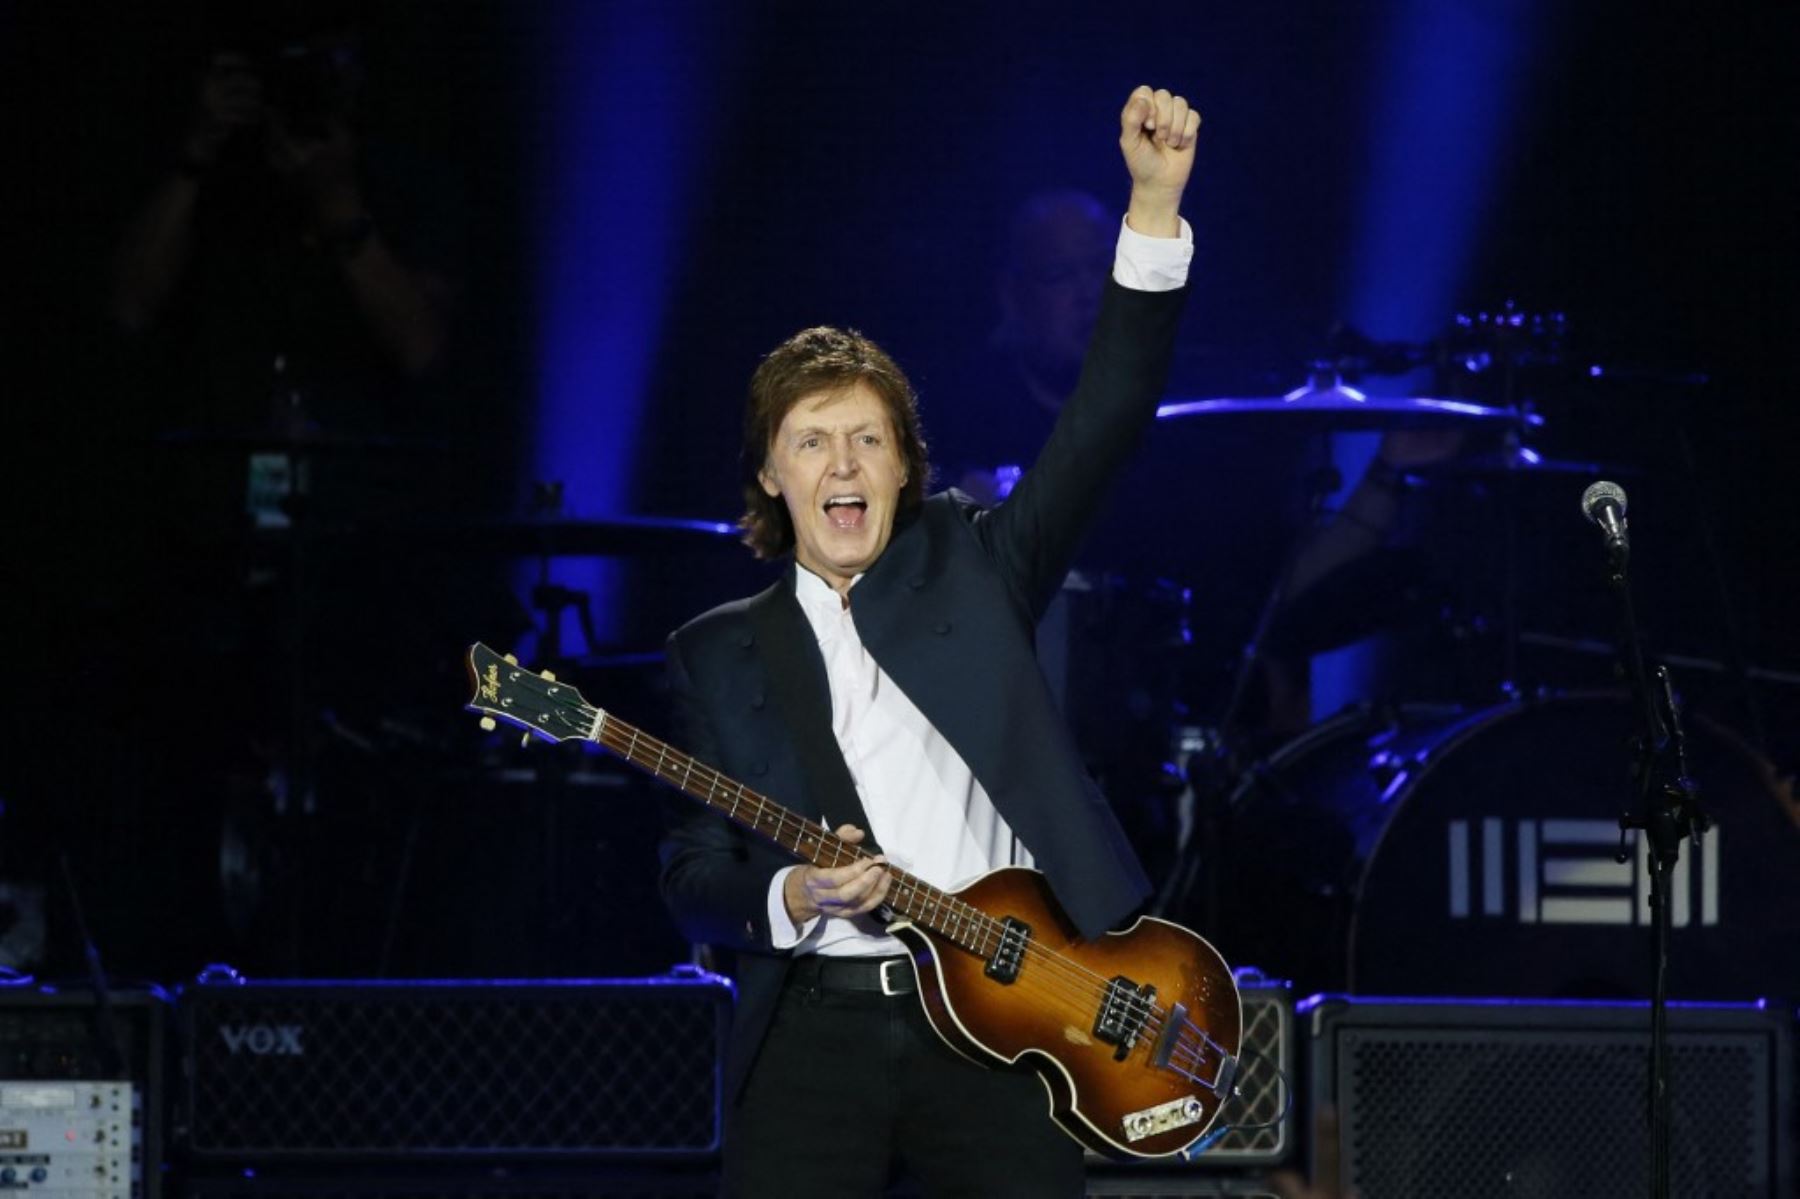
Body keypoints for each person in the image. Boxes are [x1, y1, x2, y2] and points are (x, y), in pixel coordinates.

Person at [657, 85, 1201, 1197]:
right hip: (808, 1037)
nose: (843, 465)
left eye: (868, 438)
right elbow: (691, 874)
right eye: (812, 442)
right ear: (772, 473)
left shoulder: (980, 564)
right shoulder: (717, 652)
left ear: (907, 466)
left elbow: (1106, 414)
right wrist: (793, 896)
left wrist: (1151, 207)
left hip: (1001, 1030)